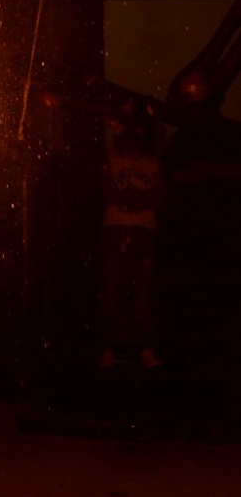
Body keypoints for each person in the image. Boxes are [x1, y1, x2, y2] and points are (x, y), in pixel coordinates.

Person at [97, 99, 165, 369]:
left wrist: (134, 200)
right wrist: (137, 200)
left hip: (143, 231)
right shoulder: (111, 161)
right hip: (115, 229)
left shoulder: (153, 163)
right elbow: (107, 191)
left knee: (142, 295)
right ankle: (108, 349)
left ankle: (144, 348)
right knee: (111, 291)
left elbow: (159, 198)